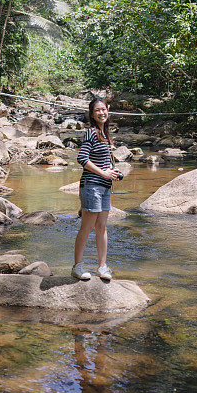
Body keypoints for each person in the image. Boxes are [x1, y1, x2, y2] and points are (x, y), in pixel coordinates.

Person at [72, 97, 121, 282]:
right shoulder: (91, 133)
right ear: (92, 114)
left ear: (108, 110)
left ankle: (102, 267)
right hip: (92, 186)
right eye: (97, 110)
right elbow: (82, 159)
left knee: (101, 227)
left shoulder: (105, 133)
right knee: (87, 227)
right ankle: (77, 266)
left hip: (105, 187)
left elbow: (103, 162)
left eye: (104, 109)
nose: (102, 113)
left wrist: (113, 172)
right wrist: (104, 173)